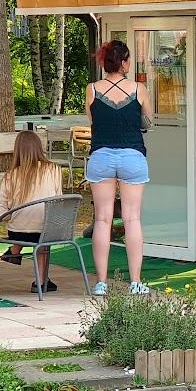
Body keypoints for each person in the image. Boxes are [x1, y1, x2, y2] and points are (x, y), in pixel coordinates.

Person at [86, 40, 153, 296]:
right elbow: (148, 120)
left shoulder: (92, 89)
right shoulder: (138, 88)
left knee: (102, 219)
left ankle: (101, 282)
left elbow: (93, 120)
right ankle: (135, 282)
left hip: (101, 155)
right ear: (124, 62)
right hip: (132, 155)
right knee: (132, 218)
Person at [0, 130, 64, 293]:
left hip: (18, 233)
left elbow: (1, 213)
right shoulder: (54, 170)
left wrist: (13, 215)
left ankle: (14, 250)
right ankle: (40, 282)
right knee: (42, 240)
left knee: (23, 223)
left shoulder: (10, 175)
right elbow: (58, 200)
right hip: (46, 231)